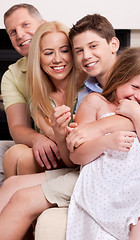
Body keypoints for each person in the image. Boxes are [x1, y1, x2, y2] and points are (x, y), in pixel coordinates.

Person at [66, 47, 140, 240]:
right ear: (119, 78)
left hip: (139, 188)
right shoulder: (95, 103)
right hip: (101, 188)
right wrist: (105, 142)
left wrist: (138, 116)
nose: (139, 96)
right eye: (135, 87)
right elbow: (76, 155)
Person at [66, 13, 140, 199]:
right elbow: (78, 150)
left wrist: (100, 127)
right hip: (104, 183)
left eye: (93, 46)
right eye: (78, 51)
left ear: (114, 45)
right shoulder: (87, 95)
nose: (86, 55)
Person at [0, 21, 81, 240]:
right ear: (39, 58)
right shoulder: (40, 97)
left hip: (82, 164)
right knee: (10, 182)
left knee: (22, 160)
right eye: (48, 53)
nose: (57, 59)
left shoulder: (87, 89)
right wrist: (56, 132)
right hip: (67, 160)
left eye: (65, 50)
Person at [0, 3, 58, 184]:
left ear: (43, 25)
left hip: (68, 140)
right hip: (43, 140)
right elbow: (17, 126)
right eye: (12, 32)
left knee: (21, 157)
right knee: (12, 154)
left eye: (25, 25)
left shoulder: (65, 59)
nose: (20, 35)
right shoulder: (13, 75)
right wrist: (38, 139)